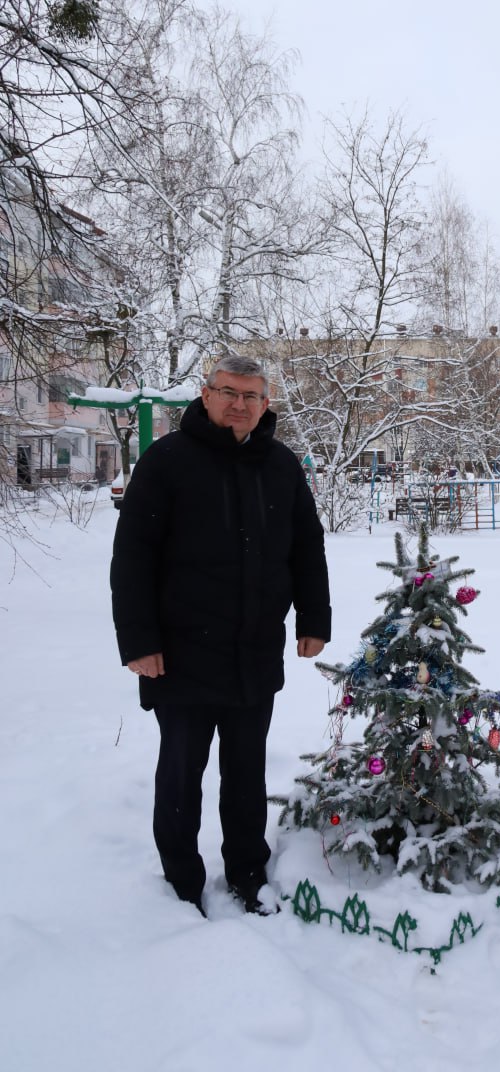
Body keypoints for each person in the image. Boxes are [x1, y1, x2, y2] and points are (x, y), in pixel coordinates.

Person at [110, 354, 331, 916]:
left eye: (251, 396)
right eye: (228, 392)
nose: (239, 404)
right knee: (182, 772)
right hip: (180, 654)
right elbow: (132, 558)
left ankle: (247, 872)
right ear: (205, 396)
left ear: (265, 403)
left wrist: (313, 619)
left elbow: (307, 546)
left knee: (246, 771)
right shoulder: (167, 462)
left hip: (254, 649)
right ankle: (183, 880)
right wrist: (138, 642)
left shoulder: (281, 465)